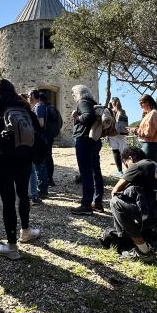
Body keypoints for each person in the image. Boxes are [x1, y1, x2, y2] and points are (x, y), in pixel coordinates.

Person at [0, 78, 42, 259]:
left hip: (3, 159)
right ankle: (25, 231)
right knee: (23, 194)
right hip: (24, 159)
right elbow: (38, 132)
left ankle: (12, 247)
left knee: (8, 200)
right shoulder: (25, 108)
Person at [70, 84, 105, 215]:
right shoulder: (92, 102)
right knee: (96, 171)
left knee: (86, 173)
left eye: (74, 94)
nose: (73, 97)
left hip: (84, 140)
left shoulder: (83, 102)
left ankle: (86, 205)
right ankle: (98, 202)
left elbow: (88, 116)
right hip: (94, 141)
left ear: (79, 93)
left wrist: (76, 117)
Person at [28, 90, 50, 203]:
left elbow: (40, 123)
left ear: (32, 96)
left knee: (40, 165)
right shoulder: (40, 106)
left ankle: (42, 190)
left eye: (28, 95)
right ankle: (42, 189)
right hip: (41, 138)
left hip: (39, 139)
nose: (28, 97)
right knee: (41, 164)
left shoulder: (39, 106)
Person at [133, 95, 157, 163]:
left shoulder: (153, 114)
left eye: (141, 103)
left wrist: (136, 131)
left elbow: (149, 133)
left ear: (148, 102)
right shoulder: (149, 114)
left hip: (150, 145)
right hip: (148, 144)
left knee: (148, 168)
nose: (140, 106)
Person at [41, 92, 62, 187]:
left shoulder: (43, 109)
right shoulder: (54, 109)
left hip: (45, 136)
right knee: (49, 157)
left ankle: (46, 179)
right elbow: (60, 122)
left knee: (44, 158)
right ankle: (50, 179)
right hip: (51, 136)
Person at [108, 97, 129, 177]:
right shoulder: (123, 111)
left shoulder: (111, 111)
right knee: (124, 153)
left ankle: (120, 171)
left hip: (112, 134)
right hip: (121, 134)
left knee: (116, 152)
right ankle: (128, 169)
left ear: (112, 103)